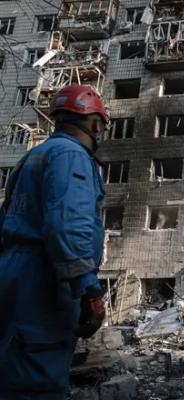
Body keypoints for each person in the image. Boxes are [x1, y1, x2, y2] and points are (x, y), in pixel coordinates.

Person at [0, 85, 109, 399]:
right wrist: (88, 290)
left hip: (13, 271)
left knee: (11, 368)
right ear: (95, 124)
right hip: (44, 277)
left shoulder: (32, 156)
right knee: (38, 376)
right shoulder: (72, 156)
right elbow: (68, 225)